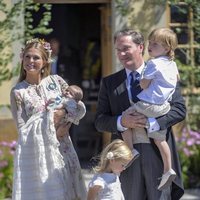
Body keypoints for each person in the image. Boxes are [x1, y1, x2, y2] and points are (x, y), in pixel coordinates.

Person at [95, 28, 186, 199]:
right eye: (118, 50)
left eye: (126, 48)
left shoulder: (164, 72)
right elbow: (100, 121)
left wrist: (153, 123)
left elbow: (179, 110)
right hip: (127, 157)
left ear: (141, 47)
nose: (122, 54)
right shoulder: (109, 82)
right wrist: (122, 121)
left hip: (157, 153)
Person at [10, 38, 87, 200]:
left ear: (45, 61)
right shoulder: (18, 92)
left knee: (69, 192)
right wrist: (49, 118)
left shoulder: (56, 81)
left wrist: (64, 115)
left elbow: (78, 107)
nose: (31, 61)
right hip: (39, 153)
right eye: (27, 57)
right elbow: (23, 130)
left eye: (36, 57)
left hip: (63, 147)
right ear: (22, 59)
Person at [121, 28, 179, 191]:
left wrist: (142, 83)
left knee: (124, 119)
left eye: (155, 44)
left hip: (149, 104)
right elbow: (175, 80)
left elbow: (145, 84)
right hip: (163, 107)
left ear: (167, 48)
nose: (150, 46)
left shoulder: (153, 63)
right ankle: (168, 169)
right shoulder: (172, 64)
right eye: (150, 42)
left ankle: (131, 150)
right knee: (159, 139)